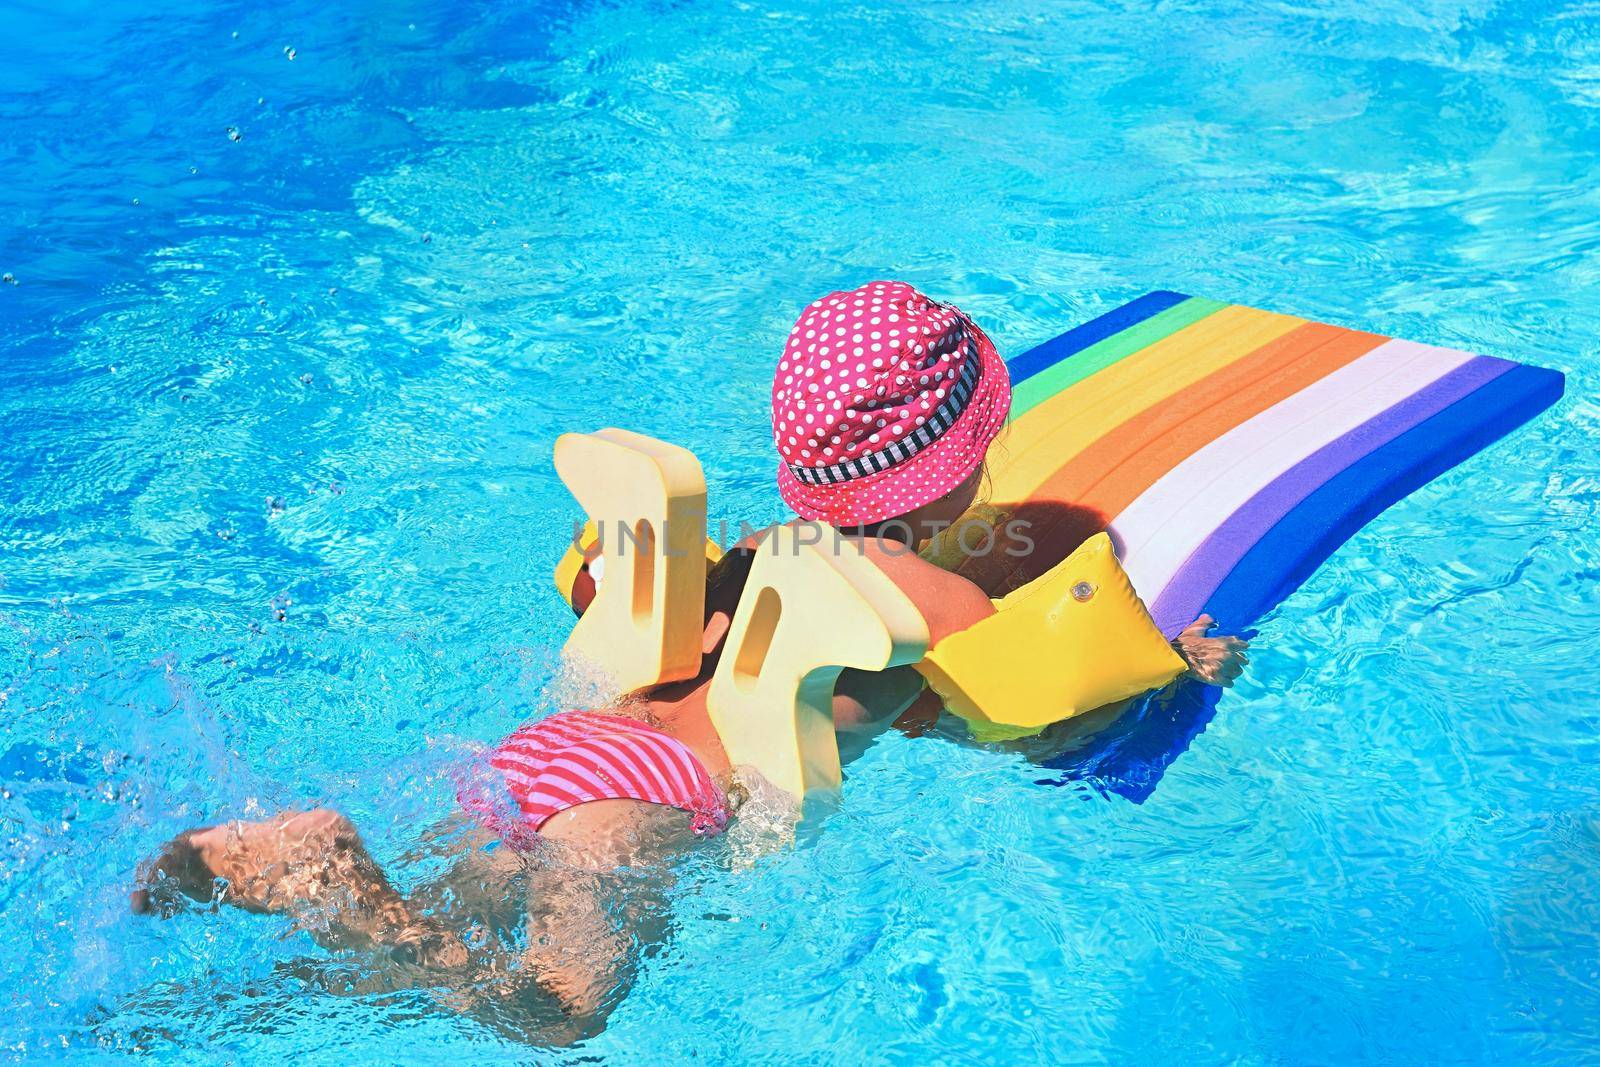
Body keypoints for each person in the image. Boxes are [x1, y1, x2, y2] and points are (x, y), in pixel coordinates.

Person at [768, 281, 1249, 738]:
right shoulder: (947, 607)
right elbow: (1037, 732)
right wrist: (1179, 664)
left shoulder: (762, 554)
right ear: (949, 475)